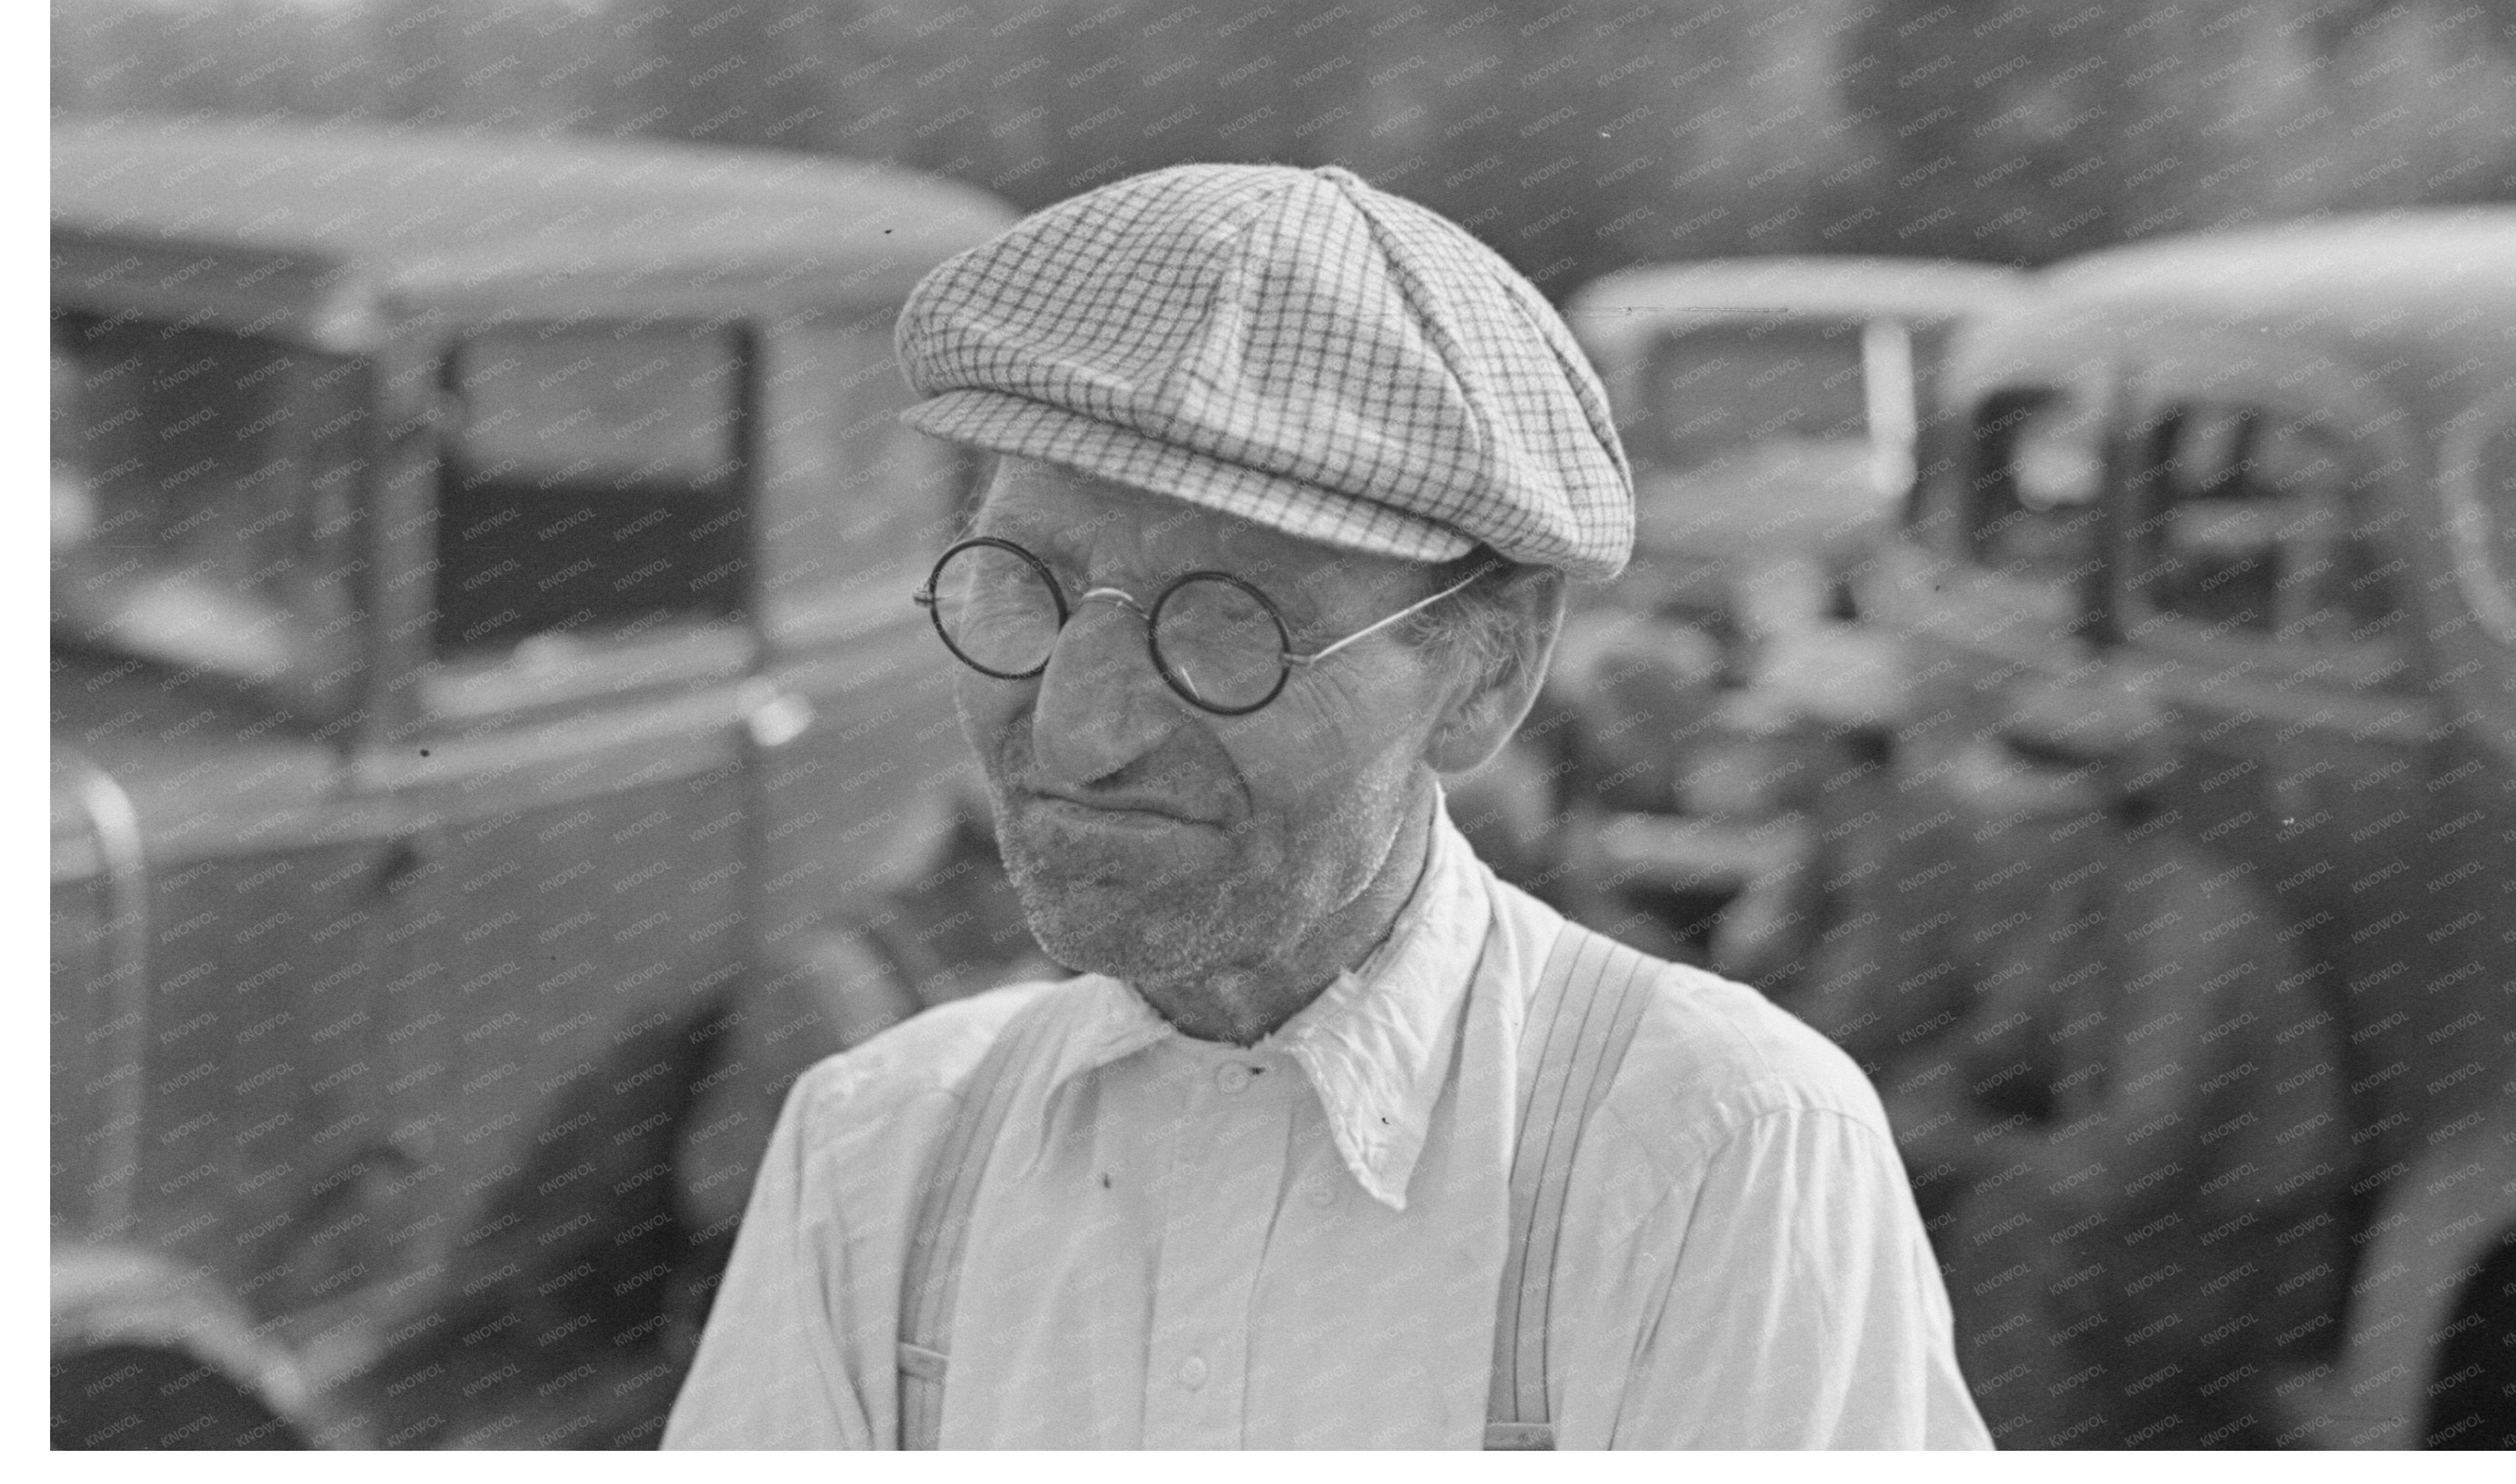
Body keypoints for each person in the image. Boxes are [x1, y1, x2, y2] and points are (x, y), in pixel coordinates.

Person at [661, 163, 1988, 1450]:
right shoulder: (877, 1153)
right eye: (1024, 581)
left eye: (1227, 622)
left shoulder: (1710, 1156)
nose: (1076, 726)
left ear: (1489, 672)